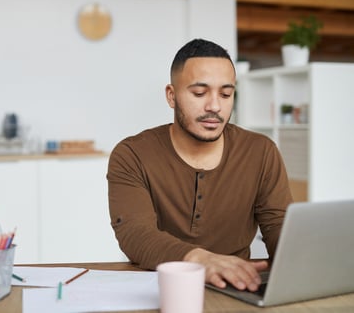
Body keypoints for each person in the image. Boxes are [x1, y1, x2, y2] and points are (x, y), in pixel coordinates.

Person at [107, 38, 293, 292]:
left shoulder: (261, 151)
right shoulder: (132, 154)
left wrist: (301, 265)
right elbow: (135, 233)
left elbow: (278, 226)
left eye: (226, 94)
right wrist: (201, 260)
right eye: (199, 93)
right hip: (159, 285)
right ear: (171, 96)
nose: (215, 106)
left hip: (237, 287)